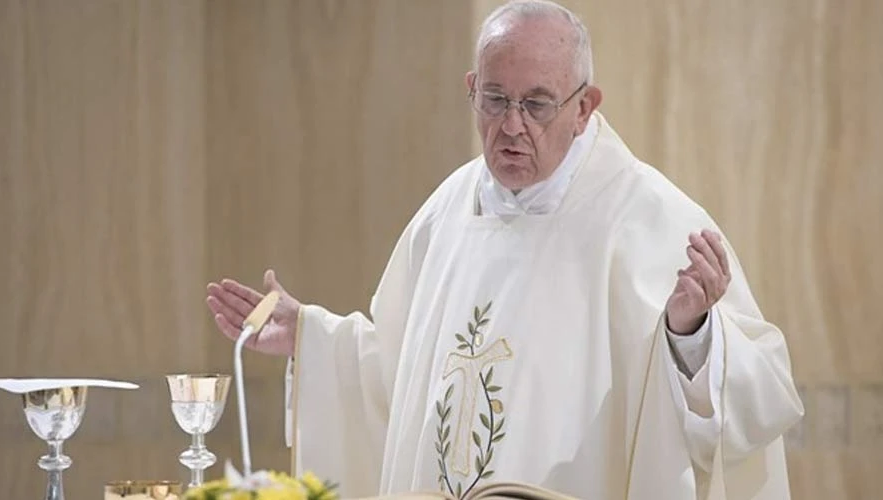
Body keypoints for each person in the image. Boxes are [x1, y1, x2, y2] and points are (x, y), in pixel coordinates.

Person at [206, 1, 804, 498]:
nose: (512, 126)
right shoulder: (447, 212)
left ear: (584, 107)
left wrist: (692, 333)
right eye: (495, 100)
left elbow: (756, 399)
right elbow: (398, 375)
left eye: (537, 104)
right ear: (471, 90)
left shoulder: (653, 220)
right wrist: (310, 337)